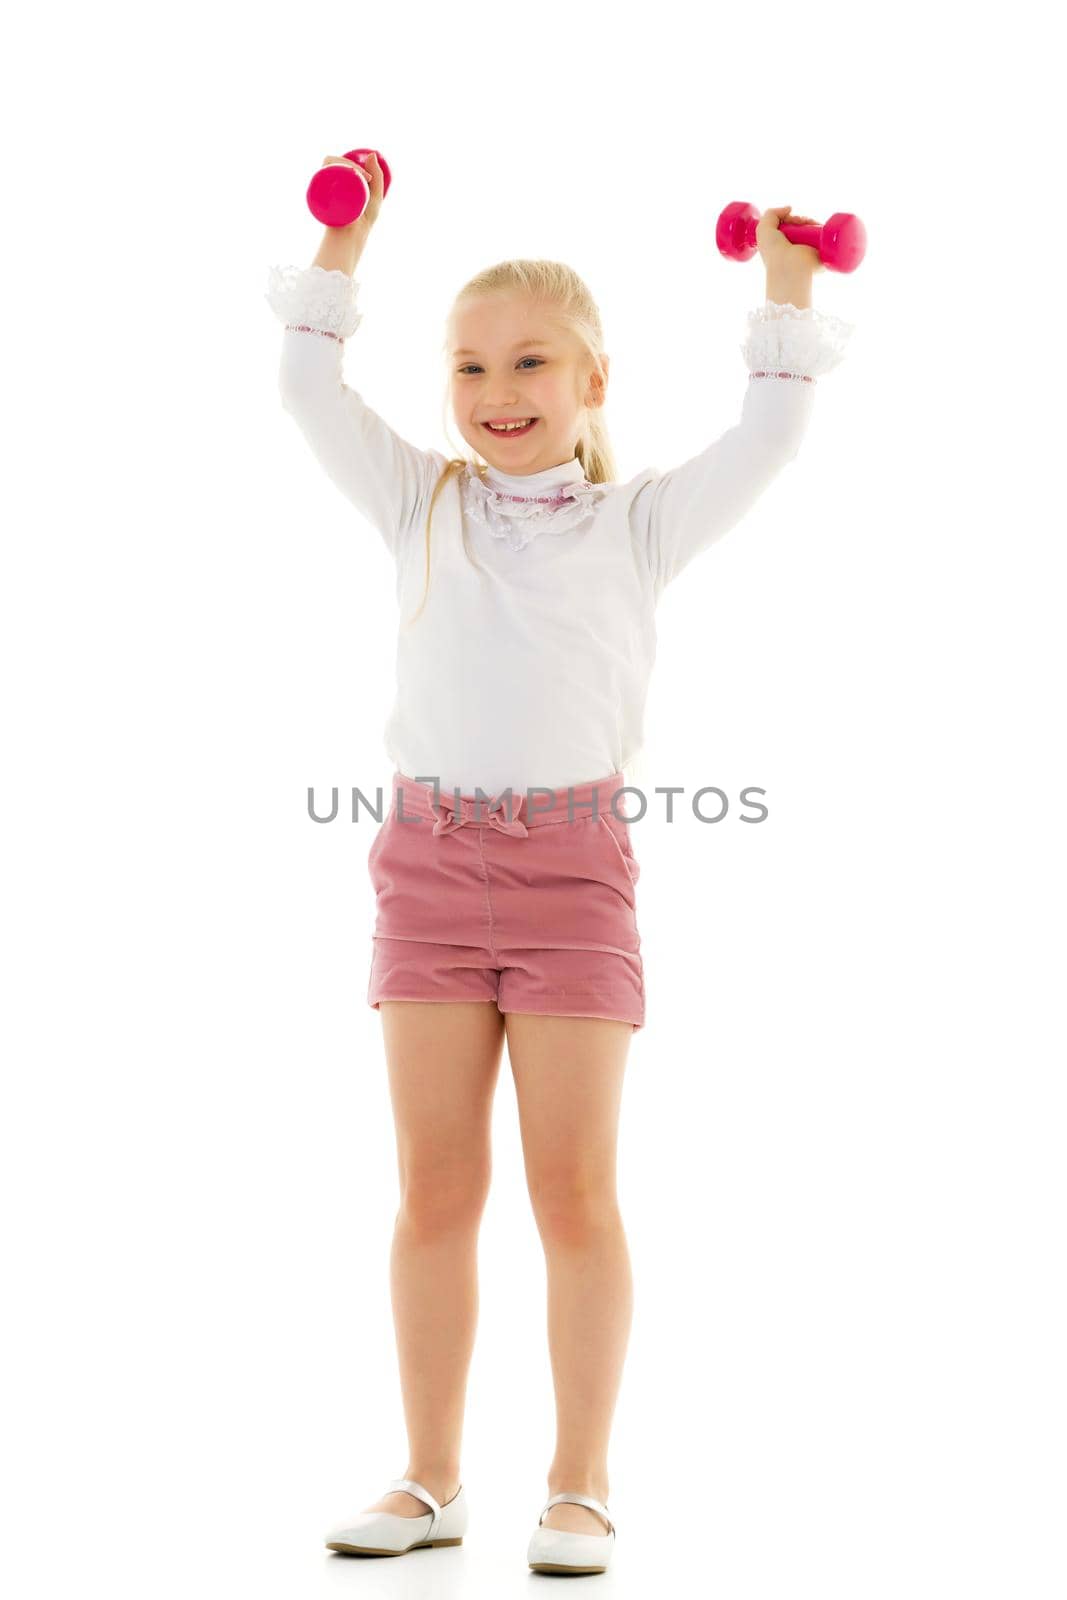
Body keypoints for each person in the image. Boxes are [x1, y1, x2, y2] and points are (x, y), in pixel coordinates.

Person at [265, 151, 854, 1574]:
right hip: (425, 867)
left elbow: (769, 439)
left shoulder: (637, 523)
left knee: (575, 1189)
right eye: (468, 366)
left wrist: (785, 283)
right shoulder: (423, 505)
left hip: (574, 875)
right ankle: (428, 1478)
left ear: (595, 383)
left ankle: (581, 1481)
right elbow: (303, 387)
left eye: (531, 361)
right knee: (435, 1189)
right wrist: (349, 244)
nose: (496, 390)